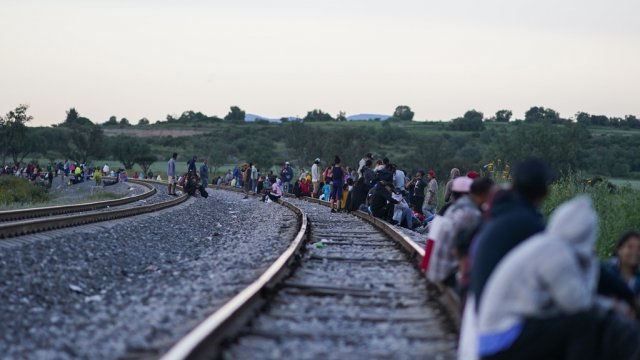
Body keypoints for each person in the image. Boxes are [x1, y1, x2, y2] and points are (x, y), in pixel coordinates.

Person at [477, 197, 640, 360]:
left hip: (497, 334)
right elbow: (578, 304)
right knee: (585, 321)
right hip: (503, 338)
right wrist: (610, 302)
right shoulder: (556, 254)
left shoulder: (547, 245)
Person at [601, 231, 640, 305]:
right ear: (619, 250)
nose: (635, 252)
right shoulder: (604, 272)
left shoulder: (638, 279)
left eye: (639, 248)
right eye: (630, 247)